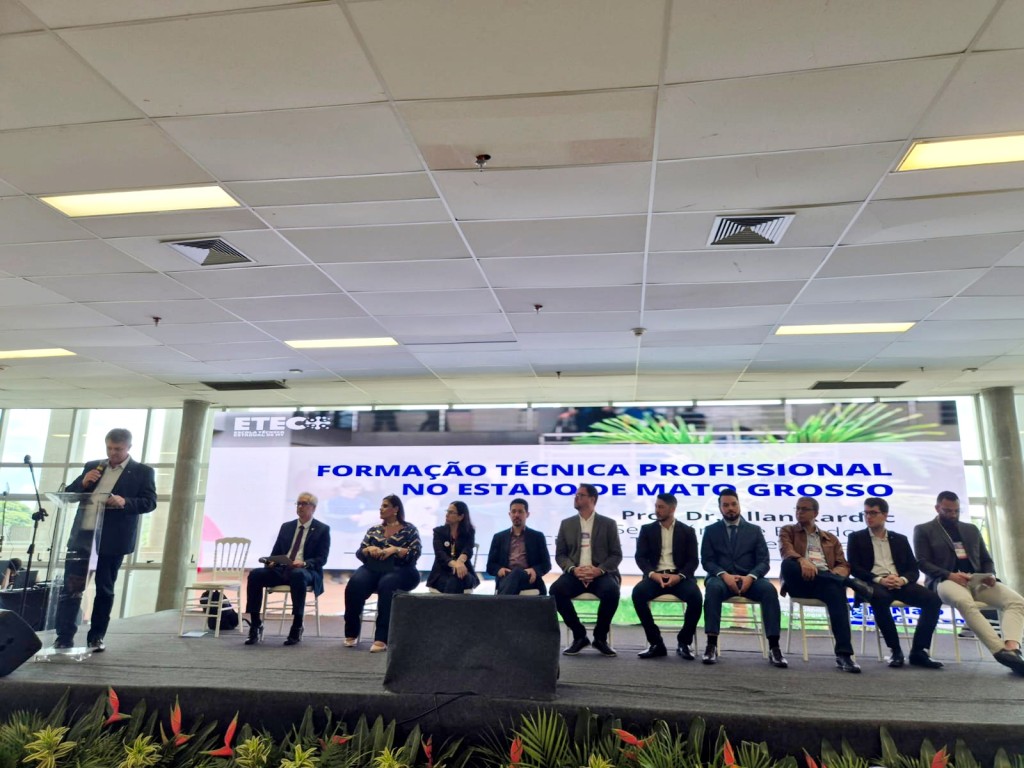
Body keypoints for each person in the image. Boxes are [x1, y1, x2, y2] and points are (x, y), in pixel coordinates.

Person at [55, 428, 157, 652]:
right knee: (71, 590)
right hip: (82, 539)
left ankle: (96, 637)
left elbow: (150, 502)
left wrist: (125, 501)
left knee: (104, 591)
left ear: (129, 448)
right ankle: (63, 637)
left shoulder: (142, 472)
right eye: (109, 448)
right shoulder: (93, 466)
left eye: (118, 449)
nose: (112, 453)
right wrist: (83, 483)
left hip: (112, 541)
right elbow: (69, 495)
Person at [914, 491, 1024, 675]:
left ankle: (1012, 649)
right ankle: (999, 651)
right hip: (944, 581)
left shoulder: (970, 529)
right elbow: (922, 562)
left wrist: (990, 574)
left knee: (1017, 601)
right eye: (948, 511)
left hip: (976, 580)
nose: (953, 514)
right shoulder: (924, 529)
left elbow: (986, 559)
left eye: (956, 511)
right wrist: (950, 575)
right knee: (965, 602)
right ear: (937, 508)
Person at [846, 497, 943, 669]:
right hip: (873, 582)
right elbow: (854, 568)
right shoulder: (856, 537)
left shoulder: (900, 539)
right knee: (879, 598)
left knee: (933, 600)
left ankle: (919, 651)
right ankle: (895, 651)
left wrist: (902, 579)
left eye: (873, 513)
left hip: (899, 582)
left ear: (885, 515)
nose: (868, 517)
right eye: (866, 513)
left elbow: (913, 569)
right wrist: (880, 579)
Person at [701, 489, 787, 667]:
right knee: (713, 588)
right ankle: (711, 645)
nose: (730, 508)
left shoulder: (754, 530)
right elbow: (707, 561)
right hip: (722, 579)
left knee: (769, 590)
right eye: (726, 505)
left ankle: (774, 648)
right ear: (720, 508)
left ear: (739, 505)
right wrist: (724, 575)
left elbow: (764, 561)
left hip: (750, 579)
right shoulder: (711, 531)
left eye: (734, 504)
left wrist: (751, 577)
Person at [779, 496, 865, 673]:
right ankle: (849, 583)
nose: (799, 512)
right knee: (788, 565)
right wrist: (802, 560)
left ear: (815, 513)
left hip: (825, 584)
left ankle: (844, 655)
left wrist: (834, 575)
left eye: (804, 509)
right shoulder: (788, 530)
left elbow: (843, 564)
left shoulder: (830, 538)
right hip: (799, 581)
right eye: (797, 508)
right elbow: (786, 551)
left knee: (837, 594)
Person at [243, 492, 331, 646]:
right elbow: (275, 553)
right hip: (282, 569)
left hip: (306, 571)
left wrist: (303, 563)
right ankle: (255, 624)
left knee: (298, 575)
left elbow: (321, 559)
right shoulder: (287, 527)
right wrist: (271, 562)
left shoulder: (322, 529)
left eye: (304, 504)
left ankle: (297, 625)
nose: (300, 507)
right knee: (255, 575)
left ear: (314, 508)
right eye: (298, 503)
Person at [343, 494, 421, 652]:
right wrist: (368, 549)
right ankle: (351, 632)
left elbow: (414, 554)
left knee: (387, 585)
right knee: (355, 583)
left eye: (385, 506)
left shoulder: (409, 529)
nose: (381, 509)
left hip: (401, 569)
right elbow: (360, 553)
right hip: (374, 567)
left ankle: (381, 638)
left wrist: (395, 549)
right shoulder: (374, 530)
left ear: (395, 509)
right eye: (381, 506)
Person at [551, 484, 622, 657]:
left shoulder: (608, 524)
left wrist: (599, 570)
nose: (576, 498)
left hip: (600, 574)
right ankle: (579, 635)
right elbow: (560, 555)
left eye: (580, 495)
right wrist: (573, 569)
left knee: (612, 591)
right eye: (576, 495)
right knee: (555, 591)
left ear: (592, 499)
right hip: (575, 573)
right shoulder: (567, 524)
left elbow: (616, 555)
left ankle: (600, 638)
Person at [631, 493, 702, 660]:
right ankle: (656, 643)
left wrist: (680, 576)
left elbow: (693, 561)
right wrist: (652, 574)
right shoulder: (647, 530)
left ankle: (684, 642)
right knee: (638, 594)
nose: (657, 510)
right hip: (655, 577)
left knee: (696, 597)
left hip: (679, 577)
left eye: (661, 507)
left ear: (672, 509)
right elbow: (640, 557)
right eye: (656, 506)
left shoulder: (687, 531)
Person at [486, 498, 551, 595]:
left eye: (520, 512)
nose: (516, 515)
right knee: (514, 575)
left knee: (517, 572)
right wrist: (499, 570)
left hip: (529, 579)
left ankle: (499, 603)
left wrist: (534, 570)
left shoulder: (537, 536)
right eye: (513, 511)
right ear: (509, 514)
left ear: (527, 514)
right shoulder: (499, 537)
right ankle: (502, 603)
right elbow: (490, 565)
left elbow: (546, 564)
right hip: (506, 577)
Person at [426, 501, 480, 594]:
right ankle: (452, 603)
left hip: (464, 571)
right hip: (441, 573)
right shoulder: (438, 532)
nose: (447, 515)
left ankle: (448, 603)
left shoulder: (469, 531)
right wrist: (455, 564)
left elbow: (468, 549)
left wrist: (460, 562)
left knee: (459, 577)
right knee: (454, 581)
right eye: (447, 511)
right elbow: (440, 554)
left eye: (451, 512)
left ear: (461, 517)